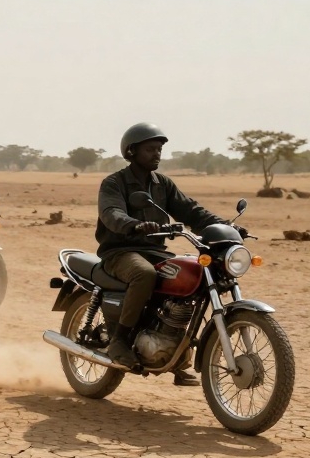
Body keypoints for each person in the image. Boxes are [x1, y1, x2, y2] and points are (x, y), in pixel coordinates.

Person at [97, 123, 235, 386]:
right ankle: (120, 341)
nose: (157, 154)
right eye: (150, 149)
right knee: (144, 274)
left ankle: (176, 353)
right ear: (131, 151)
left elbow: (191, 211)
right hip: (120, 251)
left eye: (159, 149)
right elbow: (111, 213)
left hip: (154, 250)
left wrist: (225, 226)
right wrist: (133, 224)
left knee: (192, 276)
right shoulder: (114, 183)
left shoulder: (163, 184)